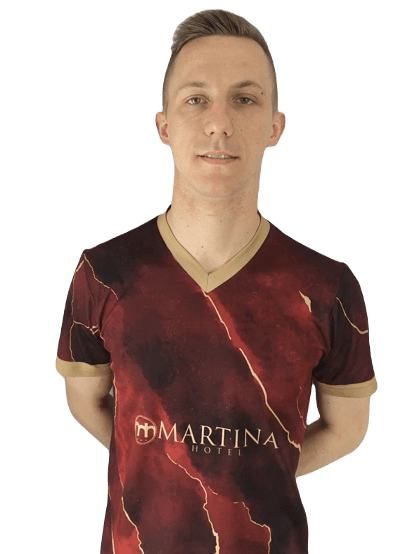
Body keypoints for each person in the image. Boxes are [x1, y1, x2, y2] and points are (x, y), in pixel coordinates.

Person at [56, 8, 377, 553]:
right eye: (196, 99)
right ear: (164, 125)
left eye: (244, 99)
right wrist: (170, 466)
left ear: (275, 126)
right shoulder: (103, 273)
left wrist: (248, 473)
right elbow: (87, 403)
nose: (218, 123)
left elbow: (347, 429)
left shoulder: (329, 289)